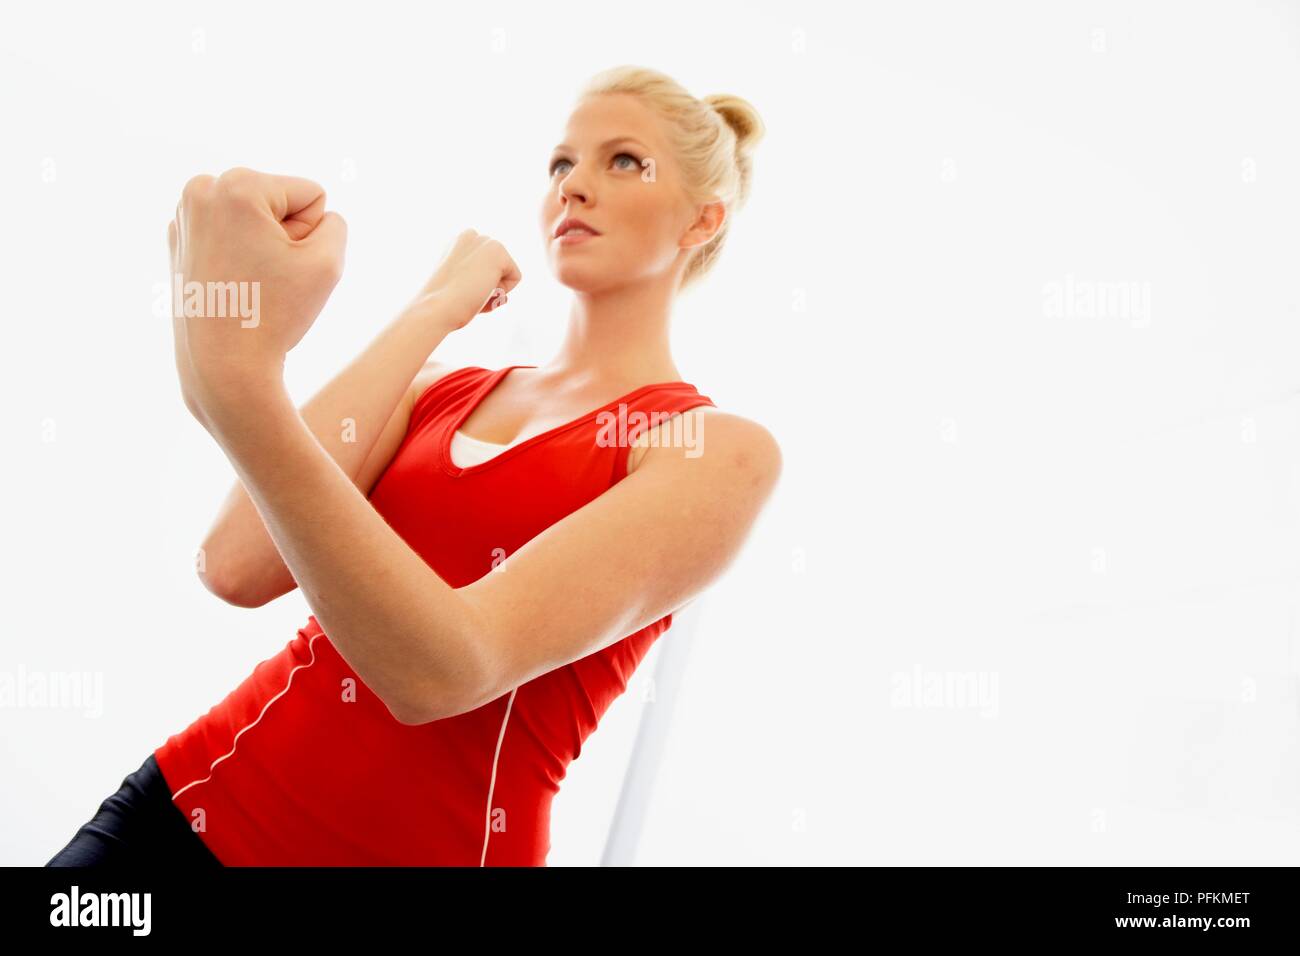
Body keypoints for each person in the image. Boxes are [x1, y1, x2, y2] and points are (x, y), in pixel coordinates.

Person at [47, 64, 781, 867]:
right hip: (189, 809)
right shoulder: (439, 387)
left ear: (702, 222)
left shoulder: (712, 449)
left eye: (624, 161)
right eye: (561, 164)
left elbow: (445, 673)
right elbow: (233, 564)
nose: (573, 187)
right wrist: (431, 312)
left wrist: (237, 388)